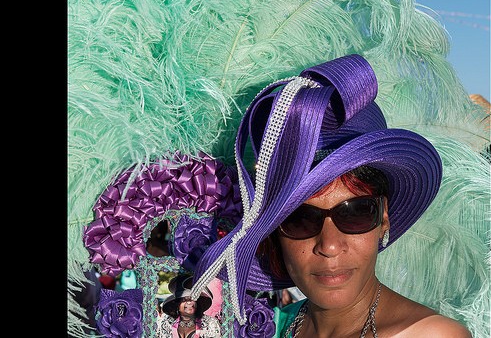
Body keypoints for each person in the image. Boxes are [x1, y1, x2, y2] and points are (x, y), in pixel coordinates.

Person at [191, 54, 473, 337]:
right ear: (273, 233)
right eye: (300, 219)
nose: (330, 246)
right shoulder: (264, 327)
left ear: (383, 220)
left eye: (356, 213)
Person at [157, 273, 222, 338]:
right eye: (184, 299)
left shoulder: (210, 323)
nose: (189, 302)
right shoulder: (166, 323)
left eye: (193, 298)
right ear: (177, 305)